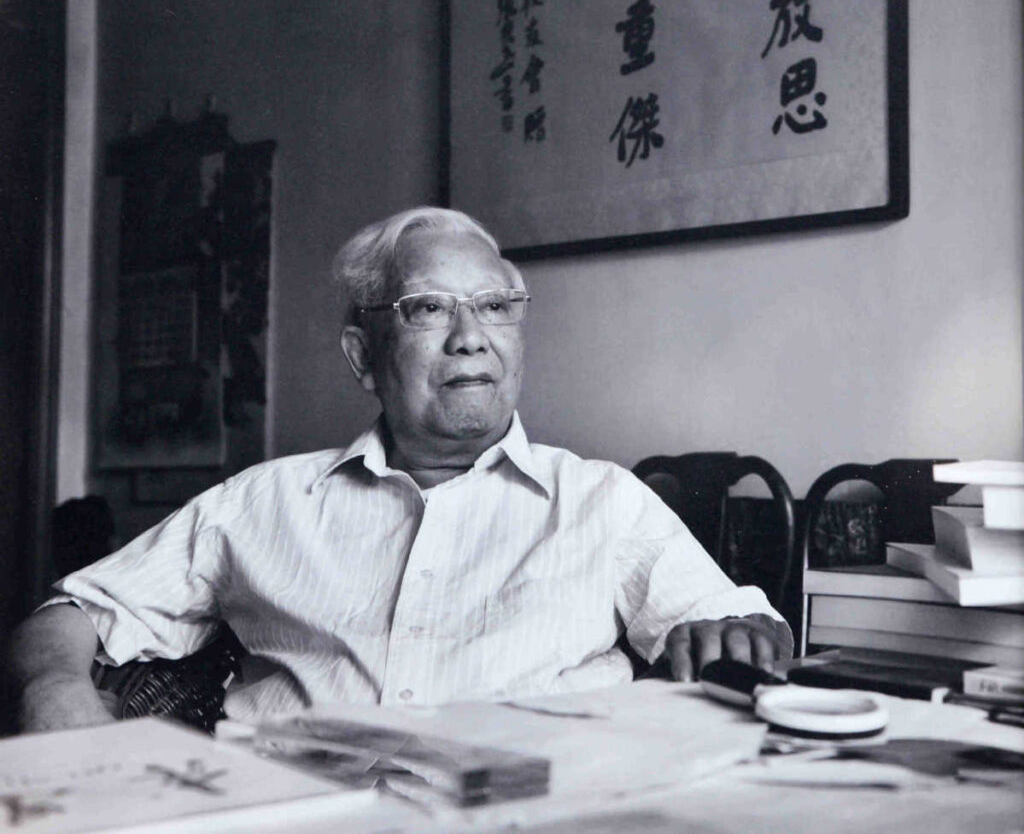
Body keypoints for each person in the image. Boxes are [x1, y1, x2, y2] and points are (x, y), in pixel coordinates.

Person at [8, 207, 792, 733]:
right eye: (428, 308)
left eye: (496, 306)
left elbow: (731, 626)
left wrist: (732, 637)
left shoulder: (602, 502)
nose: (471, 337)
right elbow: (70, 613)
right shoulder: (261, 503)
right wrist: (55, 689)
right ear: (364, 356)